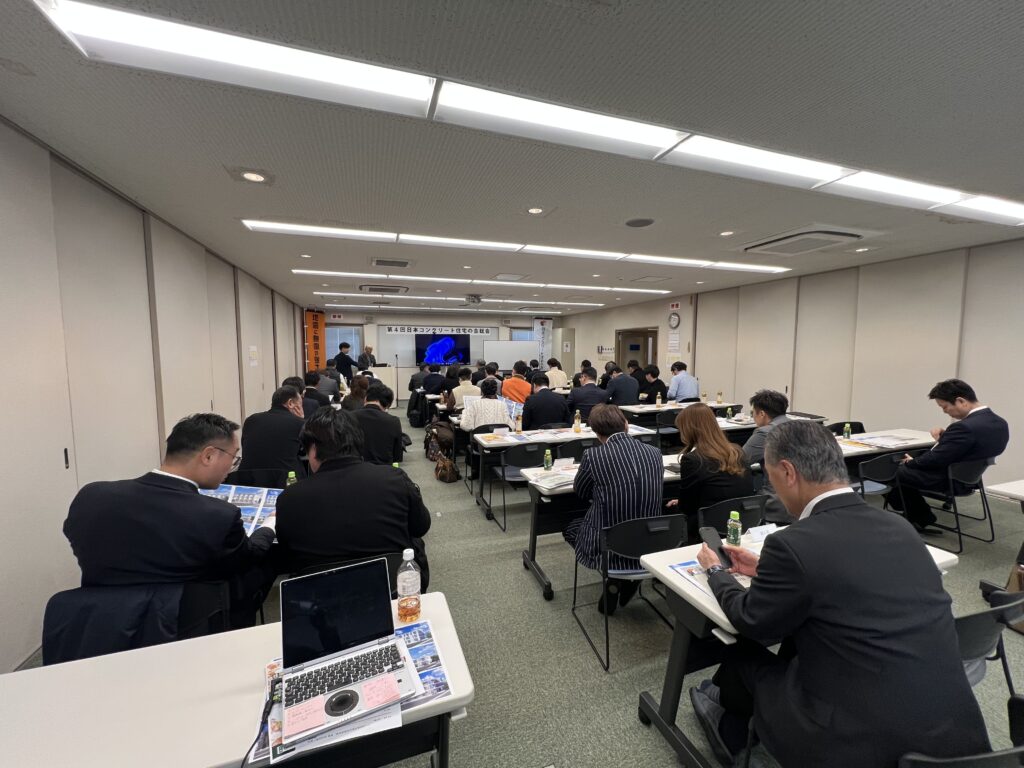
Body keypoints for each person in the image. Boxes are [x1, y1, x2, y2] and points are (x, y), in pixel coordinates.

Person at [692, 420, 989, 767]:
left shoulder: (792, 543)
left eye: (771, 479)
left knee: (741, 654)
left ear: (787, 472)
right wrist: (766, 570)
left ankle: (731, 728)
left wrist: (715, 571)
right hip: (954, 732)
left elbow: (750, 619)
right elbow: (850, 573)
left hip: (855, 743)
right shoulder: (899, 526)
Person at [63, 413, 276, 627]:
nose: (231, 467)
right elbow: (248, 557)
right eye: (234, 458)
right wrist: (269, 525)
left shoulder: (91, 497)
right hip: (183, 627)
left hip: (98, 626)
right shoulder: (218, 515)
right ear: (209, 456)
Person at [275, 408, 431, 585]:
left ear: (313, 449)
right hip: (393, 589)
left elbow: (286, 554)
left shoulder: (289, 498)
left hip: (319, 594)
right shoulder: (394, 479)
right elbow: (421, 526)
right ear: (358, 441)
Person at [563, 405, 664, 614]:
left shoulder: (593, 456)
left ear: (596, 432)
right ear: (626, 424)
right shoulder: (655, 453)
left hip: (609, 541)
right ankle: (626, 579)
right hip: (650, 538)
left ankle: (615, 576)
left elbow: (580, 492)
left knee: (571, 527)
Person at [889, 378, 1009, 532]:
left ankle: (920, 517)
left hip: (949, 480)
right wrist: (946, 437)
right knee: (904, 470)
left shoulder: (963, 427)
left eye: (944, 407)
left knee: (890, 471)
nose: (944, 411)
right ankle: (918, 514)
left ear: (961, 401)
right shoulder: (999, 422)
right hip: (971, 479)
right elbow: (972, 447)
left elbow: (936, 459)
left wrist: (911, 462)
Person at [666, 403, 755, 542]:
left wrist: (680, 503)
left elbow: (687, 507)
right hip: (741, 521)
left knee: (667, 509)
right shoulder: (737, 451)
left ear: (689, 430)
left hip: (708, 528)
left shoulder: (692, 459)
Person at [742, 389, 791, 523]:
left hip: (777, 503)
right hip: (804, 501)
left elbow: (740, 460)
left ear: (762, 414)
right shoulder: (802, 426)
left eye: (753, 413)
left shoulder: (765, 433)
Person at [238, 386, 306, 479]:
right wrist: (302, 420)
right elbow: (304, 452)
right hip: (285, 480)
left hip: (248, 479)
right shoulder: (299, 423)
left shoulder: (251, 420)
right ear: (290, 403)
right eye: (300, 405)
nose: (301, 408)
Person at [351, 382, 403, 465]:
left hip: (355, 468)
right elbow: (397, 456)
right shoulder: (393, 421)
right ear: (388, 405)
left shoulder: (349, 417)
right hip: (383, 469)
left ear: (365, 398)